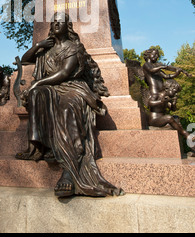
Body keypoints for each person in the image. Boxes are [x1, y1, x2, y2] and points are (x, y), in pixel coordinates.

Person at [16, 12, 124, 198]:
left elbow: (65, 73)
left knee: (66, 109)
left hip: (72, 87)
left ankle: (69, 169)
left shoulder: (73, 47)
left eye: (61, 22)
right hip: (51, 88)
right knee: (36, 94)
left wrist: (37, 83)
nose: (57, 24)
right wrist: (38, 45)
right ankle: (44, 146)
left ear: (68, 26)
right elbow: (26, 59)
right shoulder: (46, 51)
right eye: (54, 22)